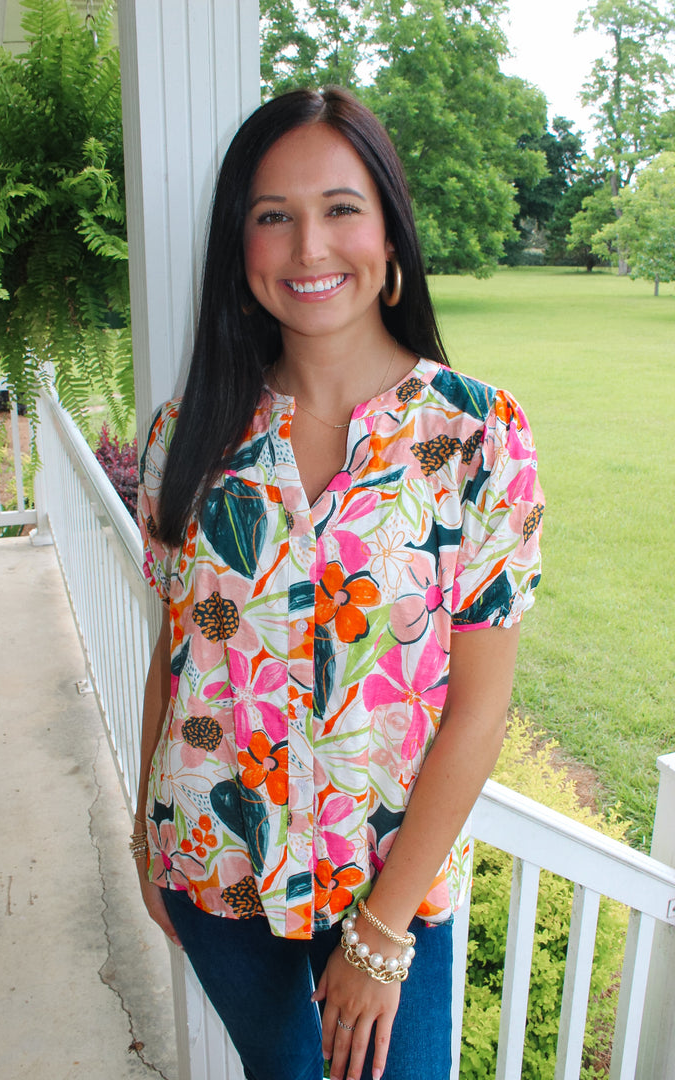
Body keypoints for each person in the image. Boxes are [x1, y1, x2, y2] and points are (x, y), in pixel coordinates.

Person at [132, 87, 544, 1080]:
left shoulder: (477, 438)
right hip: (216, 871)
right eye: (273, 216)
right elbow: (175, 654)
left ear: (391, 236)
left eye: (340, 207)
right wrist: (143, 836)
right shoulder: (187, 437)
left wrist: (379, 936)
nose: (309, 246)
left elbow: (479, 712)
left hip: (388, 895)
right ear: (242, 250)